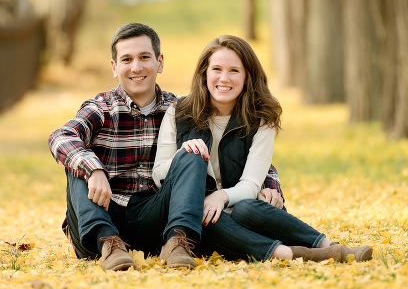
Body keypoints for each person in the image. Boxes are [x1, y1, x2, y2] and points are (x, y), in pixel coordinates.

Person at [49, 23, 286, 271]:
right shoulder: (102, 108)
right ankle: (109, 242)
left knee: (192, 151)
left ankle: (178, 241)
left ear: (160, 62)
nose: (136, 67)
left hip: (155, 217)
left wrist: (269, 185)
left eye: (144, 57)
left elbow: (234, 154)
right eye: (127, 59)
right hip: (101, 218)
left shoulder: (181, 110)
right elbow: (61, 136)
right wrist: (94, 170)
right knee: (77, 160)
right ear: (114, 67)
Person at [153, 35, 373, 263]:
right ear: (204, 73)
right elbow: (158, 175)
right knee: (204, 215)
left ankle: (330, 246)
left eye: (234, 71)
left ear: (248, 76)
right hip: (197, 217)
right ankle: (294, 254)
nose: (224, 78)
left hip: (238, 206)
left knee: (246, 209)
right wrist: (184, 156)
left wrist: (221, 196)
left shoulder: (261, 118)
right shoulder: (179, 112)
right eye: (216, 69)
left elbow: (251, 183)